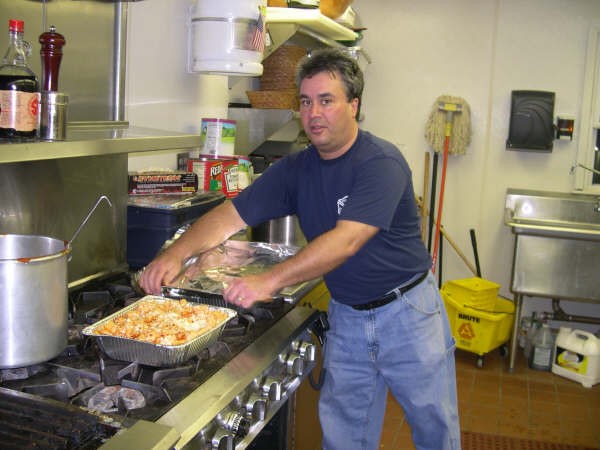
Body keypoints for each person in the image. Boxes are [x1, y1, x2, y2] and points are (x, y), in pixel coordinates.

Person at [139, 47, 461, 450]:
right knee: (345, 438)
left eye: (327, 100)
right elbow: (229, 215)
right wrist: (175, 254)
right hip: (349, 316)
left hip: (408, 316)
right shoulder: (296, 169)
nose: (314, 113)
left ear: (354, 105)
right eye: (306, 102)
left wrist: (267, 281)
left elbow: (347, 241)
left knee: (436, 431)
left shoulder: (381, 162)